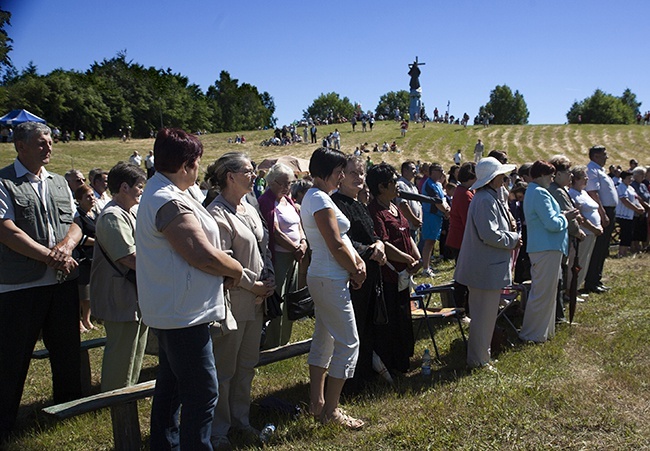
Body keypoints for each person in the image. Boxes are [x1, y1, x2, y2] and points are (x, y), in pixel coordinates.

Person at [136, 128, 243, 450]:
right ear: (185, 165)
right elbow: (199, 253)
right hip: (182, 315)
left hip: (175, 310)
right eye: (196, 162)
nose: (199, 168)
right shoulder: (166, 199)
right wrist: (235, 269)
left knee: (171, 392)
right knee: (202, 393)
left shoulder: (168, 192)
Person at [0, 122, 82, 441]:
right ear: (19, 146)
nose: (48, 147)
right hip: (21, 285)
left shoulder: (59, 182)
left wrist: (66, 247)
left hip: (60, 282)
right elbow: (7, 231)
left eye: (50, 142)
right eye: (40, 143)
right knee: (13, 355)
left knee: (67, 350)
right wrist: (50, 256)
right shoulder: (5, 182)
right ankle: (5, 422)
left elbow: (74, 223)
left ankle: (68, 409)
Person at [206, 152, 276, 447]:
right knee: (225, 369)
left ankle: (241, 419)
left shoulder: (249, 206)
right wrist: (254, 285)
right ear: (230, 176)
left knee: (247, 364)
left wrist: (269, 278)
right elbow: (222, 263)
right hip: (234, 301)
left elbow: (264, 244)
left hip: (257, 301)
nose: (254, 175)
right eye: (248, 171)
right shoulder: (216, 214)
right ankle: (218, 431)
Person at [301, 147, 366, 429]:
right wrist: (354, 268)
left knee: (325, 339)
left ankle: (317, 403)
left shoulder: (318, 197)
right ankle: (331, 410)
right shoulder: (317, 198)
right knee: (349, 343)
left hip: (327, 276)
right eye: (339, 171)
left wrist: (356, 261)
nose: (342, 176)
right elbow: (335, 243)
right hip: (330, 277)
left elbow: (342, 239)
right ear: (326, 171)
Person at [454, 157, 520, 370]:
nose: (504, 178)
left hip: (486, 268)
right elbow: (489, 234)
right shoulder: (484, 200)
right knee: (483, 317)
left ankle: (482, 357)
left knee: (485, 316)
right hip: (484, 270)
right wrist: (514, 239)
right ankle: (478, 360)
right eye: (500, 175)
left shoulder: (488, 198)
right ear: (492, 179)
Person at [332, 156, 387, 394]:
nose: (358, 177)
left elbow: (372, 233)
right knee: (352, 330)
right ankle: (350, 383)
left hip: (369, 273)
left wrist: (379, 245)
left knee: (367, 326)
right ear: (341, 176)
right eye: (353, 172)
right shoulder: (336, 203)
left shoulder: (360, 204)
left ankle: (365, 374)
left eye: (361, 173)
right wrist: (369, 251)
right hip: (351, 274)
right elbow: (341, 240)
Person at [91, 162, 148, 392]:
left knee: (135, 347)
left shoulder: (127, 213)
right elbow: (129, 257)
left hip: (131, 294)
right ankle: (114, 398)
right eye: (139, 186)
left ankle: (129, 392)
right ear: (124, 187)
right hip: (119, 295)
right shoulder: (113, 216)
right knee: (121, 349)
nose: (141, 192)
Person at [367, 163, 421, 374]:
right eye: (392, 182)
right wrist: (407, 259)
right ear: (381, 187)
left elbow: (406, 234)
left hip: (404, 274)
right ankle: (392, 363)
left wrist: (415, 257)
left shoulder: (395, 207)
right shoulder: (376, 211)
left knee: (404, 314)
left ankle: (404, 358)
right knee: (391, 319)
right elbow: (383, 243)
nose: (397, 185)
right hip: (389, 275)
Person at [519, 161, 578, 344]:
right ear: (542, 176)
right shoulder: (539, 192)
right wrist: (565, 217)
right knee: (542, 294)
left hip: (544, 248)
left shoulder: (533, 191)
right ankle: (532, 334)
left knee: (547, 293)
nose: (552, 179)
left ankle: (543, 332)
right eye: (551, 176)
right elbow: (552, 224)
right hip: (546, 248)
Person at [258, 163, 307, 350]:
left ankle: (284, 339)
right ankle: (272, 341)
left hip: (294, 256)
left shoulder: (289, 200)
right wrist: (295, 247)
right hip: (279, 257)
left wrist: (302, 242)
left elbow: (298, 223)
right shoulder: (266, 201)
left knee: (290, 298)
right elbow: (274, 231)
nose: (288, 187)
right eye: (285, 183)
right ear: (273, 182)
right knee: (278, 298)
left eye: (290, 183)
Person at [547, 155, 585, 323]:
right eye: (568, 171)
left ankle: (558, 314)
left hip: (559, 240)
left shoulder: (558, 189)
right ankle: (558, 315)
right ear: (558, 174)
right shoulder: (557, 191)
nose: (571, 175)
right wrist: (578, 232)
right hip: (560, 240)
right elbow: (567, 217)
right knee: (559, 277)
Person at [583, 146, 618, 293]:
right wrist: (602, 213)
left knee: (603, 248)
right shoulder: (591, 170)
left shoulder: (599, 170)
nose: (606, 157)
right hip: (603, 210)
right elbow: (593, 193)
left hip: (609, 209)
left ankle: (597, 278)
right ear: (596, 156)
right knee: (598, 248)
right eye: (604, 155)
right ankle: (591, 281)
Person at [445, 162, 477, 310]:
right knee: (464, 277)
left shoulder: (465, 191)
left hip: (461, 240)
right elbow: (468, 222)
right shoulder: (465, 195)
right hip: (461, 241)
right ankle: (461, 308)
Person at [568, 166, 603, 294]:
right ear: (576, 179)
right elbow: (579, 216)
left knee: (585, 261)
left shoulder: (584, 192)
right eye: (584, 177)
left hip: (591, 233)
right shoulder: (572, 193)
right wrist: (593, 228)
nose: (587, 179)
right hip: (583, 233)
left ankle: (575, 288)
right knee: (577, 262)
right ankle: (569, 290)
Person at [73, 184, 97, 333]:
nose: (92, 198)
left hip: (93, 259)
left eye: (93, 195)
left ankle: (87, 320)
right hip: (81, 259)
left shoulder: (94, 214)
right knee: (80, 293)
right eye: (88, 196)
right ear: (79, 200)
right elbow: (80, 237)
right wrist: (99, 241)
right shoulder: (78, 216)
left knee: (88, 295)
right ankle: (78, 323)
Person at [420, 163, 450, 277]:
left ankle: (427, 265)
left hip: (437, 216)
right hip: (430, 216)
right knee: (429, 242)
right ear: (432, 172)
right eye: (439, 170)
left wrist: (446, 209)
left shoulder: (437, 184)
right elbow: (437, 201)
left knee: (432, 242)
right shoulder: (429, 184)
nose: (442, 173)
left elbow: (443, 199)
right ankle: (425, 268)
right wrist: (446, 212)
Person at [615, 171, 645, 257]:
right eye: (628, 178)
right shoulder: (620, 187)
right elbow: (624, 200)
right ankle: (621, 252)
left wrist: (640, 207)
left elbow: (636, 199)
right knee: (625, 233)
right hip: (622, 214)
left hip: (630, 215)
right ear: (623, 179)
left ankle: (625, 251)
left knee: (629, 234)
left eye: (631, 178)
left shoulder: (631, 188)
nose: (630, 180)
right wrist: (636, 209)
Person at [395, 160, 423, 241]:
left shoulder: (413, 186)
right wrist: (414, 220)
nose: (415, 171)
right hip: (407, 226)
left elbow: (419, 204)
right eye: (413, 169)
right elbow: (403, 205)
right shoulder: (400, 184)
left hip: (415, 226)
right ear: (405, 171)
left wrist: (419, 219)